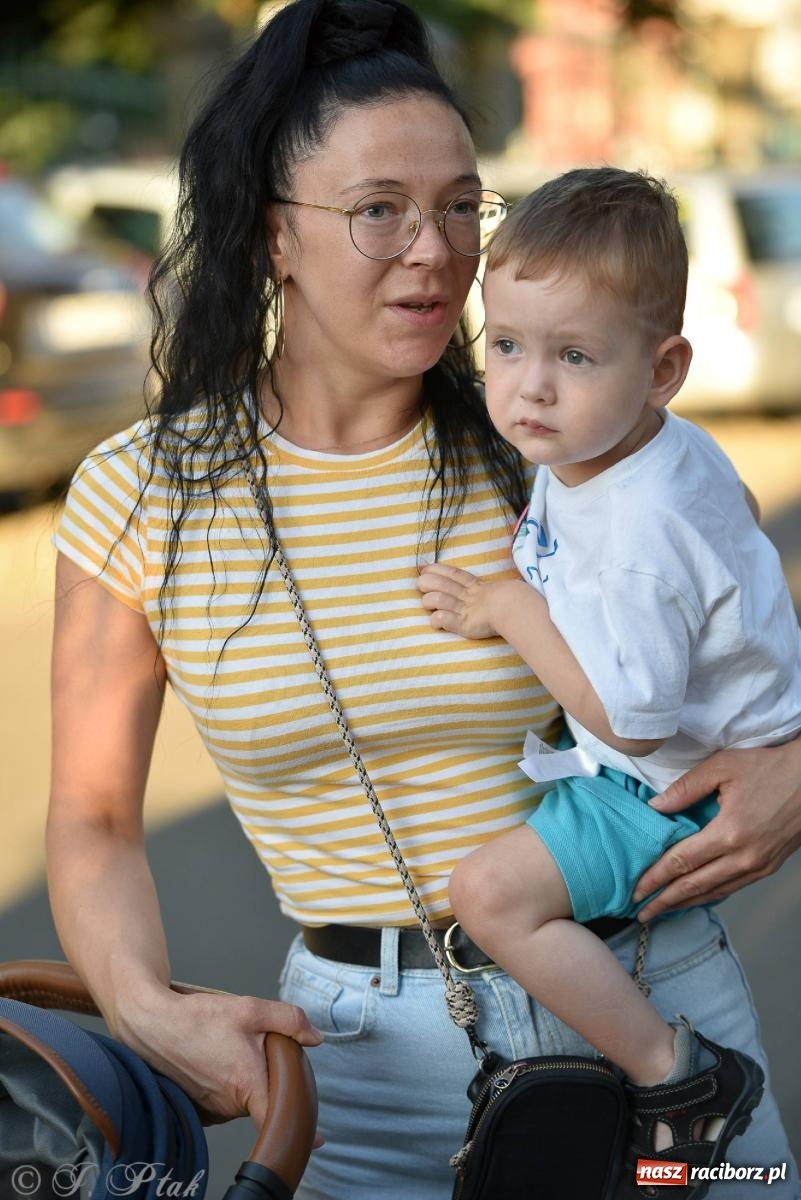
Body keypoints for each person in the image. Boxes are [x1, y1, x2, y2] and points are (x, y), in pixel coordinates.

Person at [46, 2, 801, 1196]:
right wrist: (145, 1007)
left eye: (461, 205)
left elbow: (747, 622)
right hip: (360, 1078)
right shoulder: (140, 494)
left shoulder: (560, 443)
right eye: (378, 210)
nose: (436, 250)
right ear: (273, 237)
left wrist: (796, 765)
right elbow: (90, 822)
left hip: (664, 1034)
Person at [418, 166, 801, 1191]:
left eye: (574, 355)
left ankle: (679, 1077)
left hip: (672, 788)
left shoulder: (639, 528)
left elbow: (631, 718)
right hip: (705, 749)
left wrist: (510, 605)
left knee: (488, 896)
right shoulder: (613, 446)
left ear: (663, 367)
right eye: (505, 345)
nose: (530, 385)